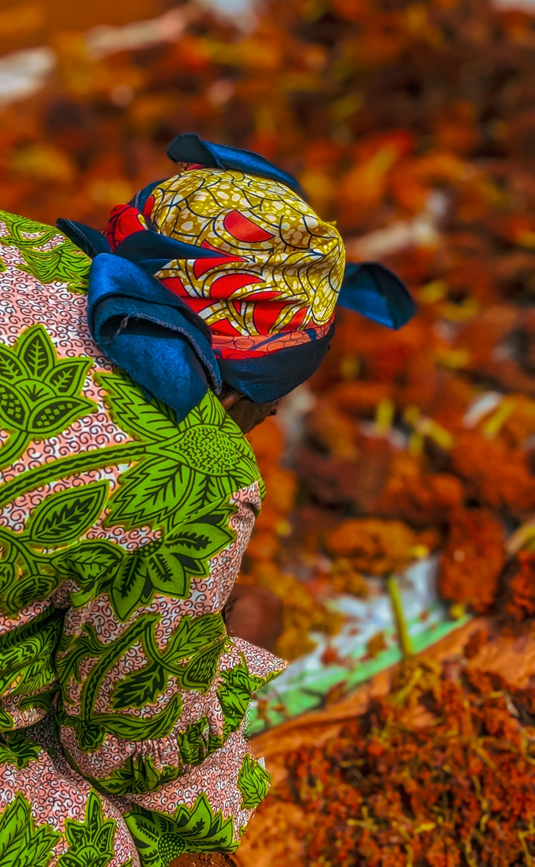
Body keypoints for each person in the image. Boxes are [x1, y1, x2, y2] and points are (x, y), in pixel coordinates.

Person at [0, 134, 415, 867]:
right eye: (273, 394)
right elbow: (119, 734)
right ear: (239, 382)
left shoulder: (17, 239)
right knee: (95, 833)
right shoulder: (202, 474)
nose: (274, 419)